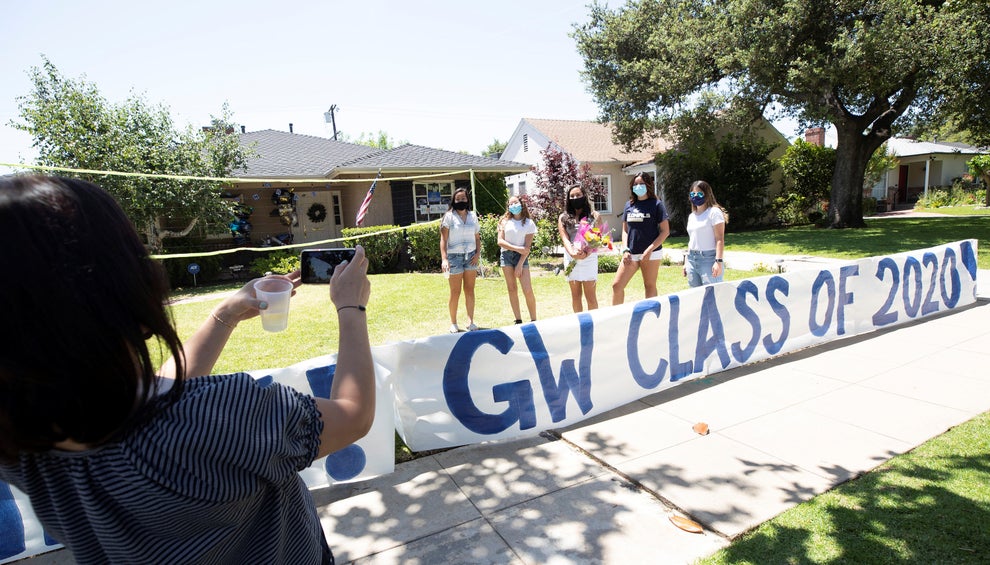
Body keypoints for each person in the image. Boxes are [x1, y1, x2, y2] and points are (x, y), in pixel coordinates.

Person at [0, 175, 374, 564]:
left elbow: (156, 394)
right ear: (122, 290)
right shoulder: (225, 414)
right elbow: (353, 416)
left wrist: (225, 315)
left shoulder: (20, 443)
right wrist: (351, 307)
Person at [612, 173, 670, 305]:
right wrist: (625, 249)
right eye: (635, 184)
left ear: (648, 185)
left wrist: (650, 249)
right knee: (617, 285)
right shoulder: (629, 205)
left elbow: (665, 231)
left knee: (649, 286)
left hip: (651, 253)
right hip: (631, 253)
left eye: (641, 184)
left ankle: (651, 320)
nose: (638, 186)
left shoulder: (656, 204)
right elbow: (625, 230)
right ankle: (616, 319)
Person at [440, 187, 481, 332]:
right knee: (455, 291)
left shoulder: (473, 216)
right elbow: (443, 239)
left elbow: (477, 237)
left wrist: (477, 254)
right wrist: (444, 259)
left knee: (469, 290)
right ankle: (453, 323)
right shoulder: (449, 217)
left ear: (467, 200)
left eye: (463, 198)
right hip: (454, 258)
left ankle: (470, 322)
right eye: (458, 199)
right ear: (453, 200)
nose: (460, 201)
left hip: (470, 257)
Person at [558, 184, 601, 313]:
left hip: (589, 258)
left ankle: (594, 323)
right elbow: (564, 237)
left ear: (584, 196)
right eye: (572, 196)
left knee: (591, 296)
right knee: (576, 296)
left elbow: (597, 238)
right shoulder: (563, 217)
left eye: (578, 195)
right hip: (571, 258)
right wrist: (572, 252)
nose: (575, 198)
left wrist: (587, 252)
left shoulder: (594, 215)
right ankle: (579, 324)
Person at [497, 195, 538, 324]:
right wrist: (516, 248)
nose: (514, 205)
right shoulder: (504, 221)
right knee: (512, 288)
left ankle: (534, 319)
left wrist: (520, 264)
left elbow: (527, 248)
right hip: (507, 256)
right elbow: (500, 241)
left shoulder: (529, 223)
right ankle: (518, 319)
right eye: (511, 204)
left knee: (527, 289)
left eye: (516, 203)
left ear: (521, 204)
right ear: (508, 207)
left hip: (522, 258)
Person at [684, 179, 727, 286]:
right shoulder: (692, 216)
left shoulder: (714, 212)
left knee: (712, 295)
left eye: (699, 193)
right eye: (692, 193)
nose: (695, 196)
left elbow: (719, 239)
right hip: (692, 259)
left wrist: (718, 262)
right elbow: (692, 240)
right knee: (696, 295)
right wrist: (686, 262)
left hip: (708, 259)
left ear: (707, 194)